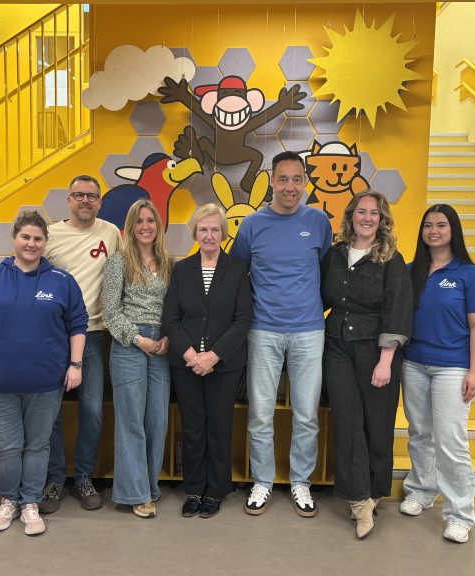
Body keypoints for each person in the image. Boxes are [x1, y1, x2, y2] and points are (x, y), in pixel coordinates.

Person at [0, 210, 88, 536]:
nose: (31, 244)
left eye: (38, 238)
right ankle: (8, 501)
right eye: (25, 237)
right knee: (5, 447)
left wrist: (75, 365)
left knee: (37, 445)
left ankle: (30, 502)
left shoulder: (62, 281)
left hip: (46, 382)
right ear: (14, 239)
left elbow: (77, 326)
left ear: (45, 242)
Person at [230, 150, 333, 517]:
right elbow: (236, 273)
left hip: (308, 331)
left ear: (304, 181)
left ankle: (301, 482)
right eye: (283, 179)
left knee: (306, 414)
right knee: (260, 413)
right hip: (264, 331)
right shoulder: (252, 225)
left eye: (296, 179)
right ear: (272, 181)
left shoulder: (319, 222)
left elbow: (324, 270)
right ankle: (262, 480)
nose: (290, 186)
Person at [320, 191, 412, 539]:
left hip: (378, 351)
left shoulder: (391, 259)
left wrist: (386, 361)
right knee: (347, 422)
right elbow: (318, 296)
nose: (368, 218)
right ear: (351, 216)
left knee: (378, 423)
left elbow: (398, 309)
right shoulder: (335, 254)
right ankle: (359, 502)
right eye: (362, 212)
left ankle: (374, 491)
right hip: (338, 347)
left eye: (374, 213)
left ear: (382, 219)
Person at [400, 203, 475, 544]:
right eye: (428, 225)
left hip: (453, 366)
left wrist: (474, 371)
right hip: (414, 363)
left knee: (450, 441)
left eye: (441, 224)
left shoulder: (469, 273)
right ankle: (422, 491)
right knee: (420, 432)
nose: (433, 231)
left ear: (453, 230)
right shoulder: (412, 272)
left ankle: (460, 514)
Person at [162, 204, 252, 518]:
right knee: (192, 427)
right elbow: (171, 320)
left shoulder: (238, 269)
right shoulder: (181, 269)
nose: (209, 235)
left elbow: (242, 320)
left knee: (219, 425)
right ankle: (194, 489)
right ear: (195, 233)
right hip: (185, 364)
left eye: (215, 229)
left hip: (224, 364)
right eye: (203, 229)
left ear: (224, 234)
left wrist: (212, 357)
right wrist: (191, 356)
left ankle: (215, 490)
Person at [40, 175, 121, 514]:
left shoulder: (111, 233)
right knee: (51, 413)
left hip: (92, 335)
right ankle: (55, 479)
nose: (85, 200)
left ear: (100, 202)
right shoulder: (51, 236)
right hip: (52, 337)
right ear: (68, 201)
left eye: (92, 196)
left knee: (92, 410)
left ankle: (84, 476)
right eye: (78, 195)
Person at [103, 199, 174, 518]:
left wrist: (167, 336)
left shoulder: (169, 262)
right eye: (139, 221)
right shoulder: (118, 261)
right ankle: (134, 494)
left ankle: (149, 486)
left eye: (151, 221)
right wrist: (138, 339)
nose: (146, 226)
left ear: (158, 226)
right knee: (131, 420)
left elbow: (176, 306)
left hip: (162, 345)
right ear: (130, 228)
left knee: (157, 420)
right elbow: (110, 311)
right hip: (129, 342)